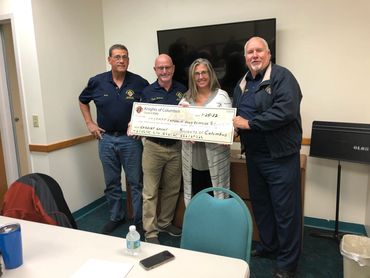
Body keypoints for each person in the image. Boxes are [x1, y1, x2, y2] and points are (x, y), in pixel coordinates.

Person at [232, 37, 302, 278]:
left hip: (280, 157)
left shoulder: (283, 77)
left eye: (259, 50)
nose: (254, 55)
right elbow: (235, 116)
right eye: (250, 52)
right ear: (245, 58)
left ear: (268, 54)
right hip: (254, 157)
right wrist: (233, 128)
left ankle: (288, 262)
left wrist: (249, 124)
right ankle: (269, 246)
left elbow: (286, 110)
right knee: (262, 207)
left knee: (286, 212)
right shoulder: (241, 84)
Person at [79, 44, 149, 235]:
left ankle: (138, 219)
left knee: (136, 182)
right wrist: (90, 123)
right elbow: (82, 100)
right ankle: (116, 217)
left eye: (125, 57)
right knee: (112, 182)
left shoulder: (139, 82)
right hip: (106, 139)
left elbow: (149, 106)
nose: (121, 60)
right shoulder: (96, 82)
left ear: (128, 60)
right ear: (109, 60)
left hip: (130, 141)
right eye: (117, 57)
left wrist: (140, 125)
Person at [141, 54, 186, 244]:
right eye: (161, 68)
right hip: (153, 148)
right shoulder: (147, 92)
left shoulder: (182, 90)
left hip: (176, 148)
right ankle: (150, 232)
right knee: (150, 192)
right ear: (155, 70)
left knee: (172, 190)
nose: (165, 71)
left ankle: (165, 223)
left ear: (173, 68)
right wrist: (134, 125)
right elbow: (140, 116)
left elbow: (188, 116)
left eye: (167, 67)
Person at [180, 58, 231, 206]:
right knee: (197, 200)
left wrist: (227, 135)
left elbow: (229, 126)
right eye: (196, 73)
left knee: (217, 200)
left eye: (204, 72)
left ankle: (217, 229)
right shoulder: (186, 99)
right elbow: (178, 126)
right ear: (192, 76)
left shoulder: (222, 96)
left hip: (216, 160)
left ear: (210, 74)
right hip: (193, 161)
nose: (200, 77)